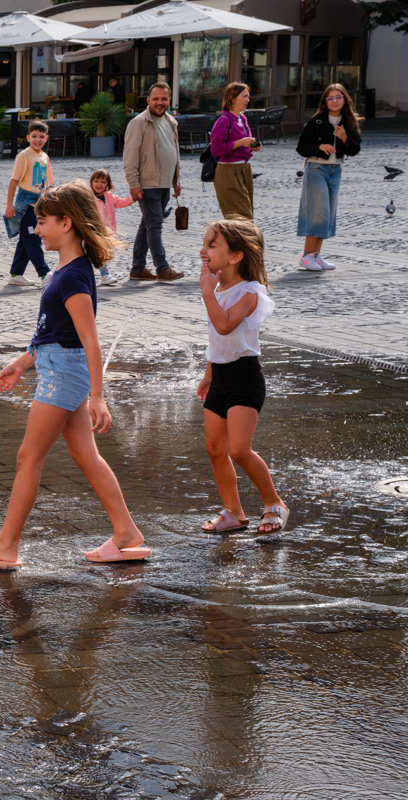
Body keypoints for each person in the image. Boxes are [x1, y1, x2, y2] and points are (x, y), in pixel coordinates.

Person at [0, 181, 150, 568]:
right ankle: (126, 533)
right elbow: (51, 330)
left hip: (64, 373)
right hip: (57, 366)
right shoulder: (63, 272)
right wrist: (22, 362)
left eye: (42, 221)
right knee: (85, 455)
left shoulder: (75, 276)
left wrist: (98, 396)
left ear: (66, 223)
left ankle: (5, 548)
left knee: (28, 458)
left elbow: (89, 341)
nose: (35, 229)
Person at [196, 218, 286, 534]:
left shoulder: (249, 293)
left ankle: (274, 503)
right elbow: (216, 338)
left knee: (239, 449)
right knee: (215, 448)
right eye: (204, 243)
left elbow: (224, 325)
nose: (203, 250)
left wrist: (207, 293)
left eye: (211, 245)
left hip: (245, 378)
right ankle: (233, 511)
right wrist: (208, 373)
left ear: (236, 256)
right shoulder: (218, 288)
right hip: (220, 376)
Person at [122, 82, 184, 281]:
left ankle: (137, 268)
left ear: (169, 100)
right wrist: (133, 184)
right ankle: (162, 268)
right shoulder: (139, 123)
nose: (160, 102)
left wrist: (176, 179)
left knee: (147, 225)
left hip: (164, 183)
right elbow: (130, 156)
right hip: (148, 184)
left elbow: (174, 152)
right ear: (148, 100)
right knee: (155, 225)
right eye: (155, 99)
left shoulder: (171, 121)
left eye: (164, 99)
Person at [295, 84, 361, 272]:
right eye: (330, 98)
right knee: (319, 212)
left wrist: (344, 138)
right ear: (325, 101)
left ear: (345, 99)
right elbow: (301, 147)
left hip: (336, 170)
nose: (334, 101)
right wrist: (319, 147)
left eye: (338, 97)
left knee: (328, 214)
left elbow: (355, 150)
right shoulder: (317, 121)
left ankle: (316, 255)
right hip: (316, 169)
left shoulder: (349, 121)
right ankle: (307, 256)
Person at [4, 120, 53, 287]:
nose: (37, 139)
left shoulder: (45, 157)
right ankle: (44, 273)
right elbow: (14, 181)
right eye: (34, 136)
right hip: (26, 206)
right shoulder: (24, 156)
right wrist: (9, 205)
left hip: (39, 204)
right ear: (28, 137)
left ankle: (16, 274)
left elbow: (47, 184)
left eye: (41, 136)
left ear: (46, 138)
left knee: (26, 240)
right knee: (33, 238)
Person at [209, 82, 261, 221]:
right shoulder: (223, 121)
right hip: (228, 171)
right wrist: (240, 143)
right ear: (232, 98)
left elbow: (242, 144)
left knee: (246, 216)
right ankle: (237, 242)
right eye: (244, 96)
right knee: (242, 218)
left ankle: (237, 242)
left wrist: (250, 147)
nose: (247, 100)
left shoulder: (242, 118)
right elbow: (216, 149)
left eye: (248, 97)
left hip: (244, 169)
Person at [89, 168, 133, 285]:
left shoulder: (109, 197)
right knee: (97, 254)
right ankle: (104, 275)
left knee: (102, 255)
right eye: (97, 181)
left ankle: (103, 275)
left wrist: (134, 197)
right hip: (94, 231)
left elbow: (122, 202)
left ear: (108, 184)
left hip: (108, 232)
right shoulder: (89, 198)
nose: (99, 184)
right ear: (92, 182)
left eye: (103, 182)